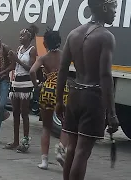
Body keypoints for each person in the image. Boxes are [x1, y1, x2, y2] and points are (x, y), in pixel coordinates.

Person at [55, 0, 119, 179]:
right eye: (114, 8)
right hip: (93, 98)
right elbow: (105, 75)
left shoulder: (73, 34)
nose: (115, 12)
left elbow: (63, 69)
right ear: (104, 7)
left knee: (72, 149)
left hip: (74, 95)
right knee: (82, 152)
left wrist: (59, 100)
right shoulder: (106, 36)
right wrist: (111, 113)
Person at [30, 28, 68, 170]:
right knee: (66, 125)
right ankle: (61, 149)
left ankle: (44, 161)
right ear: (59, 42)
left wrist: (37, 86)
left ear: (45, 43)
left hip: (47, 90)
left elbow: (32, 71)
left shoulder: (43, 58)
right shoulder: (65, 56)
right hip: (62, 90)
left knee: (46, 127)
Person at [4, 25, 38, 153]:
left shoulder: (32, 50)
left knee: (24, 113)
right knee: (16, 113)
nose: (20, 37)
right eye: (20, 35)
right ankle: (16, 141)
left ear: (29, 37)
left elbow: (31, 68)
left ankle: (25, 141)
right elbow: (14, 65)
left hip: (26, 84)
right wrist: (10, 60)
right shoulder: (19, 48)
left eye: (23, 35)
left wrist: (17, 59)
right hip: (16, 82)